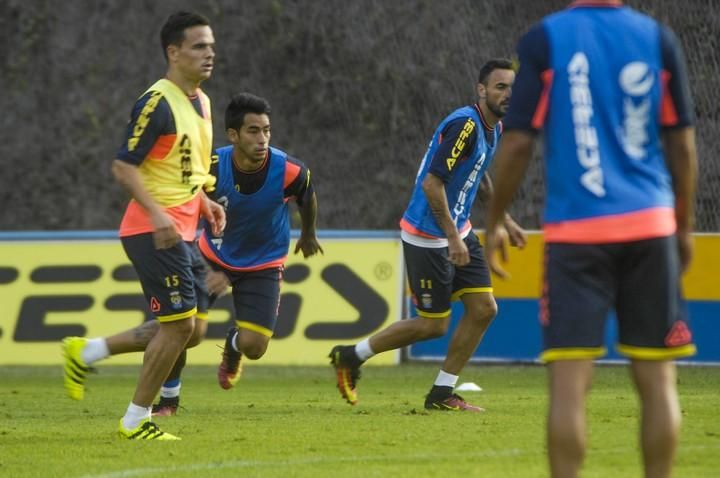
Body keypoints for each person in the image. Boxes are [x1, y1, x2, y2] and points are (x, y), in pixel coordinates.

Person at [484, 1, 698, 477]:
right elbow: (682, 143)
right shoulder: (656, 37)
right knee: (659, 380)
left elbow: (517, 142)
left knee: (569, 385)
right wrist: (681, 226)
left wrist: (495, 219)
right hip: (651, 228)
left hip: (576, 236)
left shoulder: (545, 38)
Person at [62, 11, 225, 441]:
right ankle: (136, 420)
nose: (209, 53)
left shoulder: (202, 101)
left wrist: (204, 200)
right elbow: (123, 167)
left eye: (210, 45)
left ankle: (89, 351)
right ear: (173, 53)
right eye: (198, 46)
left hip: (184, 228)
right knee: (179, 326)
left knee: (193, 330)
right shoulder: (157, 102)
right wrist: (158, 215)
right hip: (153, 229)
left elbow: (178, 169)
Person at [329, 59, 527, 411]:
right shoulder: (465, 125)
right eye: (500, 87)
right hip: (428, 235)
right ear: (481, 90)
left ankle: (441, 394)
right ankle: (350, 355)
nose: (508, 94)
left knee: (483, 309)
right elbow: (431, 183)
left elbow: (477, 174)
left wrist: (504, 219)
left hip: (458, 230)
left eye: (512, 87)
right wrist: (451, 237)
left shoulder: (493, 127)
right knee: (432, 326)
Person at [199, 92, 323, 391]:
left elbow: (307, 198)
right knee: (182, 328)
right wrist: (198, 259)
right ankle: (167, 401)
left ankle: (233, 344)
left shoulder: (290, 170)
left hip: (263, 261)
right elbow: (188, 203)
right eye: (253, 131)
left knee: (255, 347)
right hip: (212, 255)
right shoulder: (212, 166)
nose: (262, 138)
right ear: (234, 135)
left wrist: (308, 234)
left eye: (266, 130)